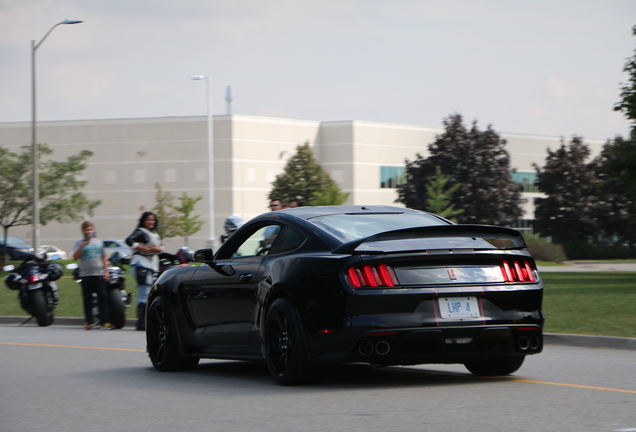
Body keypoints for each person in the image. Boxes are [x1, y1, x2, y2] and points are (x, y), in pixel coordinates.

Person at [125, 211, 165, 331]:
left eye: (153, 220)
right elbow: (128, 240)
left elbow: (162, 247)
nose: (151, 222)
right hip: (141, 264)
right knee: (144, 293)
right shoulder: (141, 231)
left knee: (149, 293)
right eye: (148, 219)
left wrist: (158, 249)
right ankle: (141, 322)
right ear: (143, 221)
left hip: (152, 265)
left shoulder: (155, 234)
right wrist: (141, 247)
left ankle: (147, 320)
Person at [72, 221, 112, 330]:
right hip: (86, 275)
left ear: (93, 231)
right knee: (87, 299)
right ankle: (89, 321)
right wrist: (82, 246)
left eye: (89, 230)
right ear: (82, 231)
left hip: (99, 274)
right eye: (85, 230)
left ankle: (105, 321)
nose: (88, 232)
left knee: (102, 297)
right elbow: (75, 257)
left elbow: (104, 257)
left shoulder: (99, 243)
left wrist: (106, 271)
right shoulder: (79, 243)